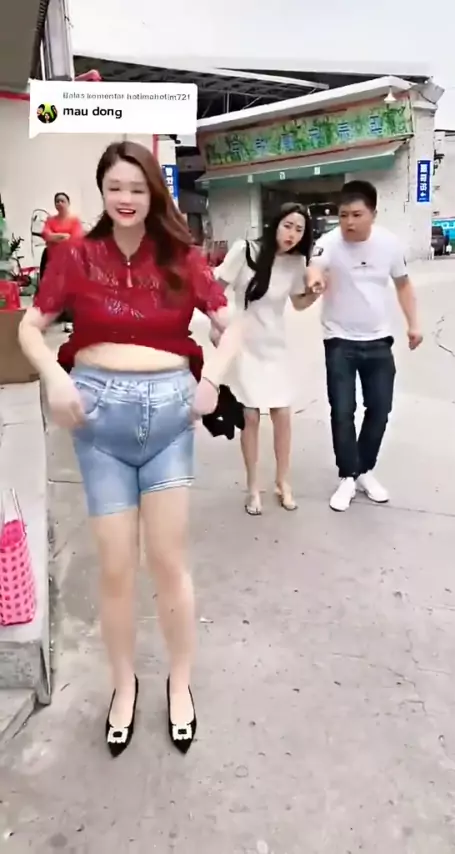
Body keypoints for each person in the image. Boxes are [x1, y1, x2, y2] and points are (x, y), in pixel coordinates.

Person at [18, 141, 242, 757]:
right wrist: (54, 376)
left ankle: (180, 683)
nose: (125, 198)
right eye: (115, 186)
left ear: (153, 195)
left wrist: (213, 378)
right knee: (116, 567)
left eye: (137, 188)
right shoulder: (74, 256)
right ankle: (123, 685)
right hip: (99, 423)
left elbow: (231, 326)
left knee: (168, 562)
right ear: (102, 189)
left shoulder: (183, 258)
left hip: (169, 418)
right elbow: (31, 328)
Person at [311, 180, 423, 512]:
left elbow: (403, 285)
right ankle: (348, 476)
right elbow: (314, 267)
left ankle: (364, 470)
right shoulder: (327, 243)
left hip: (378, 339)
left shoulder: (389, 245)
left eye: (357, 215)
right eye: (343, 215)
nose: (349, 222)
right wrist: (314, 279)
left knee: (380, 409)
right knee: (342, 410)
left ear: (373, 213)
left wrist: (413, 324)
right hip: (339, 340)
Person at [214, 203, 324, 516]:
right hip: (245, 345)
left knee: (282, 415)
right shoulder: (245, 250)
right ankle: (253, 486)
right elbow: (213, 290)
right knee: (250, 417)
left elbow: (298, 304)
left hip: (275, 347)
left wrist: (314, 292)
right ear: (274, 223)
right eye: (288, 225)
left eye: (299, 230)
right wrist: (217, 325)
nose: (292, 234)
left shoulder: (296, 262)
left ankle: (282, 482)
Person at [40, 193, 84, 332]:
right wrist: (63, 236)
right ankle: (54, 316)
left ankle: (70, 319)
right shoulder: (50, 220)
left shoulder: (74, 221)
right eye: (57, 201)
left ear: (68, 203)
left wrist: (55, 237)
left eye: (62, 201)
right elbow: (46, 235)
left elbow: (75, 239)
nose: (59, 203)